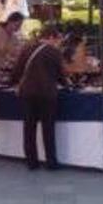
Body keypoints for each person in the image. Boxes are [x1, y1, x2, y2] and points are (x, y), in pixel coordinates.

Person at [12, 26, 66, 171]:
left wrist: (14, 82)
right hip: (47, 93)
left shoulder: (27, 49)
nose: (59, 42)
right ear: (51, 37)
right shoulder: (54, 52)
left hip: (27, 93)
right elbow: (61, 75)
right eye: (58, 39)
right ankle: (51, 162)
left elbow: (17, 71)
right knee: (48, 128)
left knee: (29, 128)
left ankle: (31, 161)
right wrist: (67, 85)